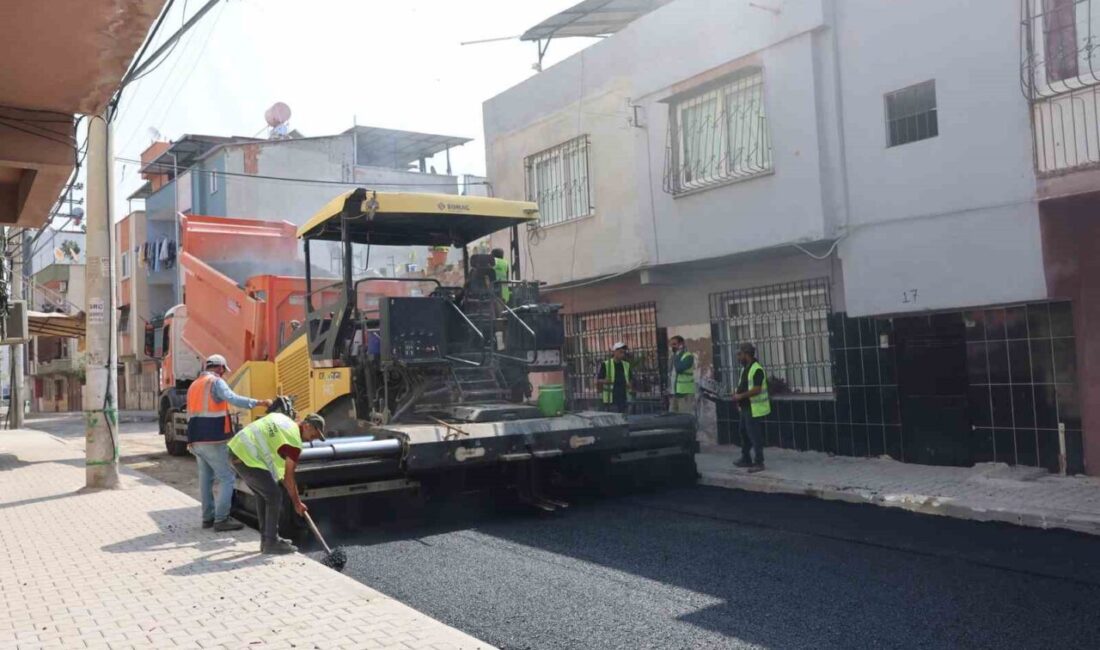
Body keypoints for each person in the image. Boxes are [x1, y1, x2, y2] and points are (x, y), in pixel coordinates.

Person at [187, 354, 271, 532]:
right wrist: (259, 403)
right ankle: (221, 520)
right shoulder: (215, 382)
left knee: (205, 480)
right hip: (213, 438)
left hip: (195, 439)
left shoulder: (194, 384)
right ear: (220, 368)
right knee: (227, 477)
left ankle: (207, 518)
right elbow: (232, 398)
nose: (224, 373)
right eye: (224, 370)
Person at [227, 411, 326, 554]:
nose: (313, 439)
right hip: (246, 456)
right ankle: (271, 542)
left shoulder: (282, 419)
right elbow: (289, 477)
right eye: (314, 434)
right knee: (274, 496)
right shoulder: (293, 441)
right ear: (307, 425)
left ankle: (266, 540)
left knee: (264, 494)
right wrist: (297, 503)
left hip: (236, 450)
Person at [733, 343, 770, 472]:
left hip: (754, 408)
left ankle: (759, 462)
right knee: (744, 433)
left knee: (754, 436)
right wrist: (737, 396)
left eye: (740, 354)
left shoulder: (757, 369)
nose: (738, 357)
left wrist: (741, 396)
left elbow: (757, 389)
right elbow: (743, 385)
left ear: (746, 354)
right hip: (745, 407)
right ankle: (746, 458)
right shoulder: (745, 368)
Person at [597, 342, 635, 414]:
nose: (623, 354)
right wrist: (605, 381)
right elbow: (598, 380)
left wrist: (630, 384)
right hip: (611, 398)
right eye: (621, 352)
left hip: (623, 397)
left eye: (624, 352)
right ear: (615, 352)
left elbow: (630, 379)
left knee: (623, 418)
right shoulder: (606, 364)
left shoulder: (626, 365)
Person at [668, 336, 696, 414]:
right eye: (671, 345)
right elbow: (670, 373)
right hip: (674, 392)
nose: (672, 347)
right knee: (673, 417)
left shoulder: (688, 356)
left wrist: (677, 355)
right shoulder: (673, 357)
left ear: (681, 344)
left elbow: (679, 369)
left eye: (674, 344)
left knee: (685, 416)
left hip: (685, 393)